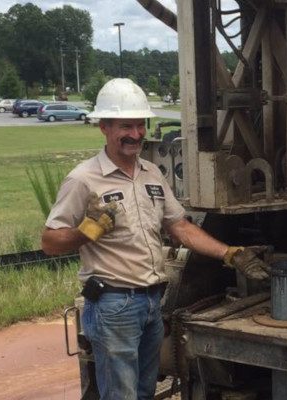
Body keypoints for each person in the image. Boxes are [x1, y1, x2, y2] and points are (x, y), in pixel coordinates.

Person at [41, 78, 270, 400]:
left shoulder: (151, 173)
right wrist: (83, 233)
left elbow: (181, 227)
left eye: (139, 125)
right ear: (104, 127)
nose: (135, 134)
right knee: (121, 395)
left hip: (152, 302)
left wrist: (230, 253)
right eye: (125, 126)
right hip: (113, 305)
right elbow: (49, 242)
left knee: (144, 392)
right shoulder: (83, 179)